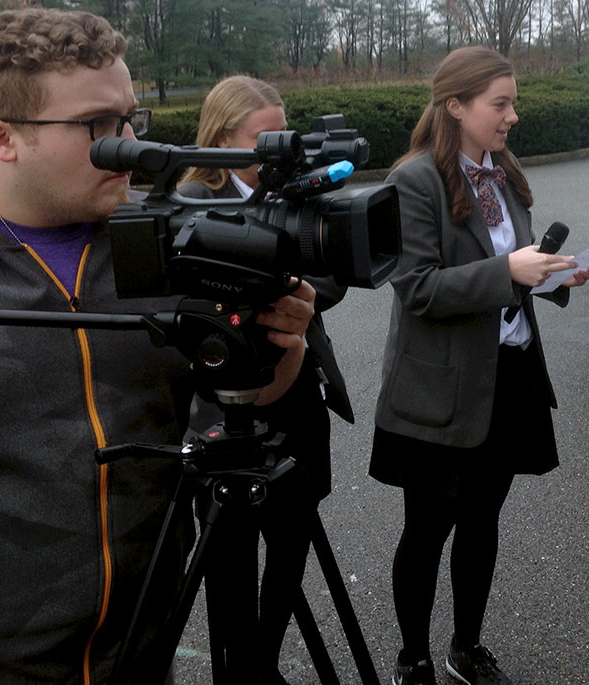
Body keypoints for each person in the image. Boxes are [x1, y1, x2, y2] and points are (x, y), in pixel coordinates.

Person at [0, 8, 314, 683]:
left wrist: (282, 349)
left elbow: (226, 407)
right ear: (2, 137)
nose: (132, 144)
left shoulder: (158, 242)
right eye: (98, 127)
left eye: (131, 118)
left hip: (132, 650)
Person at [369, 46, 589, 685]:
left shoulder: (504, 172)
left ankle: (466, 648)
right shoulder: (414, 180)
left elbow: (514, 267)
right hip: (441, 388)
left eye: (513, 102)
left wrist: (554, 276)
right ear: (455, 105)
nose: (513, 116)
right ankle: (412, 658)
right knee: (427, 529)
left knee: (483, 521)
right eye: (500, 103)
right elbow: (416, 287)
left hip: (510, 376)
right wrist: (508, 272)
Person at [174, 75, 354, 685]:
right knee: (229, 550)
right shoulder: (192, 200)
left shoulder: (291, 188)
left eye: (283, 132)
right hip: (223, 399)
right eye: (263, 136)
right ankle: (236, 666)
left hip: (299, 389)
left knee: (293, 533)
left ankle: (266, 658)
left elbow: (330, 274)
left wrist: (284, 281)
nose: (280, 148)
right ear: (222, 138)